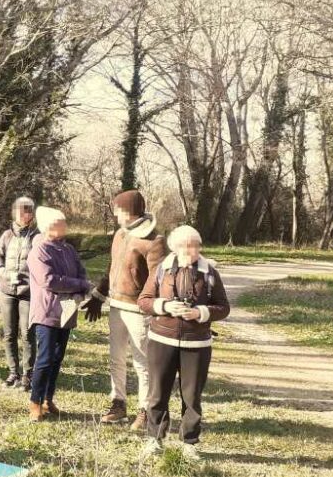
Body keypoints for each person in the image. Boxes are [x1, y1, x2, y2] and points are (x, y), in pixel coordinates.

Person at [137, 225, 230, 460]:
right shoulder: (162, 269)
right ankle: (154, 439)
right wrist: (165, 306)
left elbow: (223, 307)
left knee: (192, 397)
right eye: (186, 246)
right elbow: (144, 301)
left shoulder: (209, 272)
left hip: (197, 344)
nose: (191, 250)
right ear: (175, 248)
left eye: (195, 245)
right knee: (158, 393)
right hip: (161, 340)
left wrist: (200, 313)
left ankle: (190, 442)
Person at [83, 189, 168, 430]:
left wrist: (152, 307)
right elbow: (113, 267)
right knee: (116, 359)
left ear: (130, 211)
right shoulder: (120, 234)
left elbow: (158, 278)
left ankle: (146, 409)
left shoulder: (154, 240)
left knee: (143, 362)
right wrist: (99, 295)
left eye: (118, 210)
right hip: (117, 307)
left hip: (139, 311)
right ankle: (118, 404)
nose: (115, 214)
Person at [26, 207, 91, 422]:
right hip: (47, 312)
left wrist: (80, 286)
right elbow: (49, 280)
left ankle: (48, 399)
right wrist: (79, 285)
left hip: (67, 310)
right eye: (60, 223)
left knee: (57, 358)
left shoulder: (69, 249)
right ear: (48, 227)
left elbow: (81, 272)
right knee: (45, 359)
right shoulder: (39, 250)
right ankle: (35, 402)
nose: (65, 226)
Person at [0, 196, 39, 391]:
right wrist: (2, 272)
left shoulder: (38, 236)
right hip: (7, 292)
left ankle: (28, 374)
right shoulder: (6, 235)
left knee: (27, 334)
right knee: (9, 333)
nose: (22, 214)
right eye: (19, 210)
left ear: (31, 214)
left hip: (28, 293)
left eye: (26, 210)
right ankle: (13, 372)